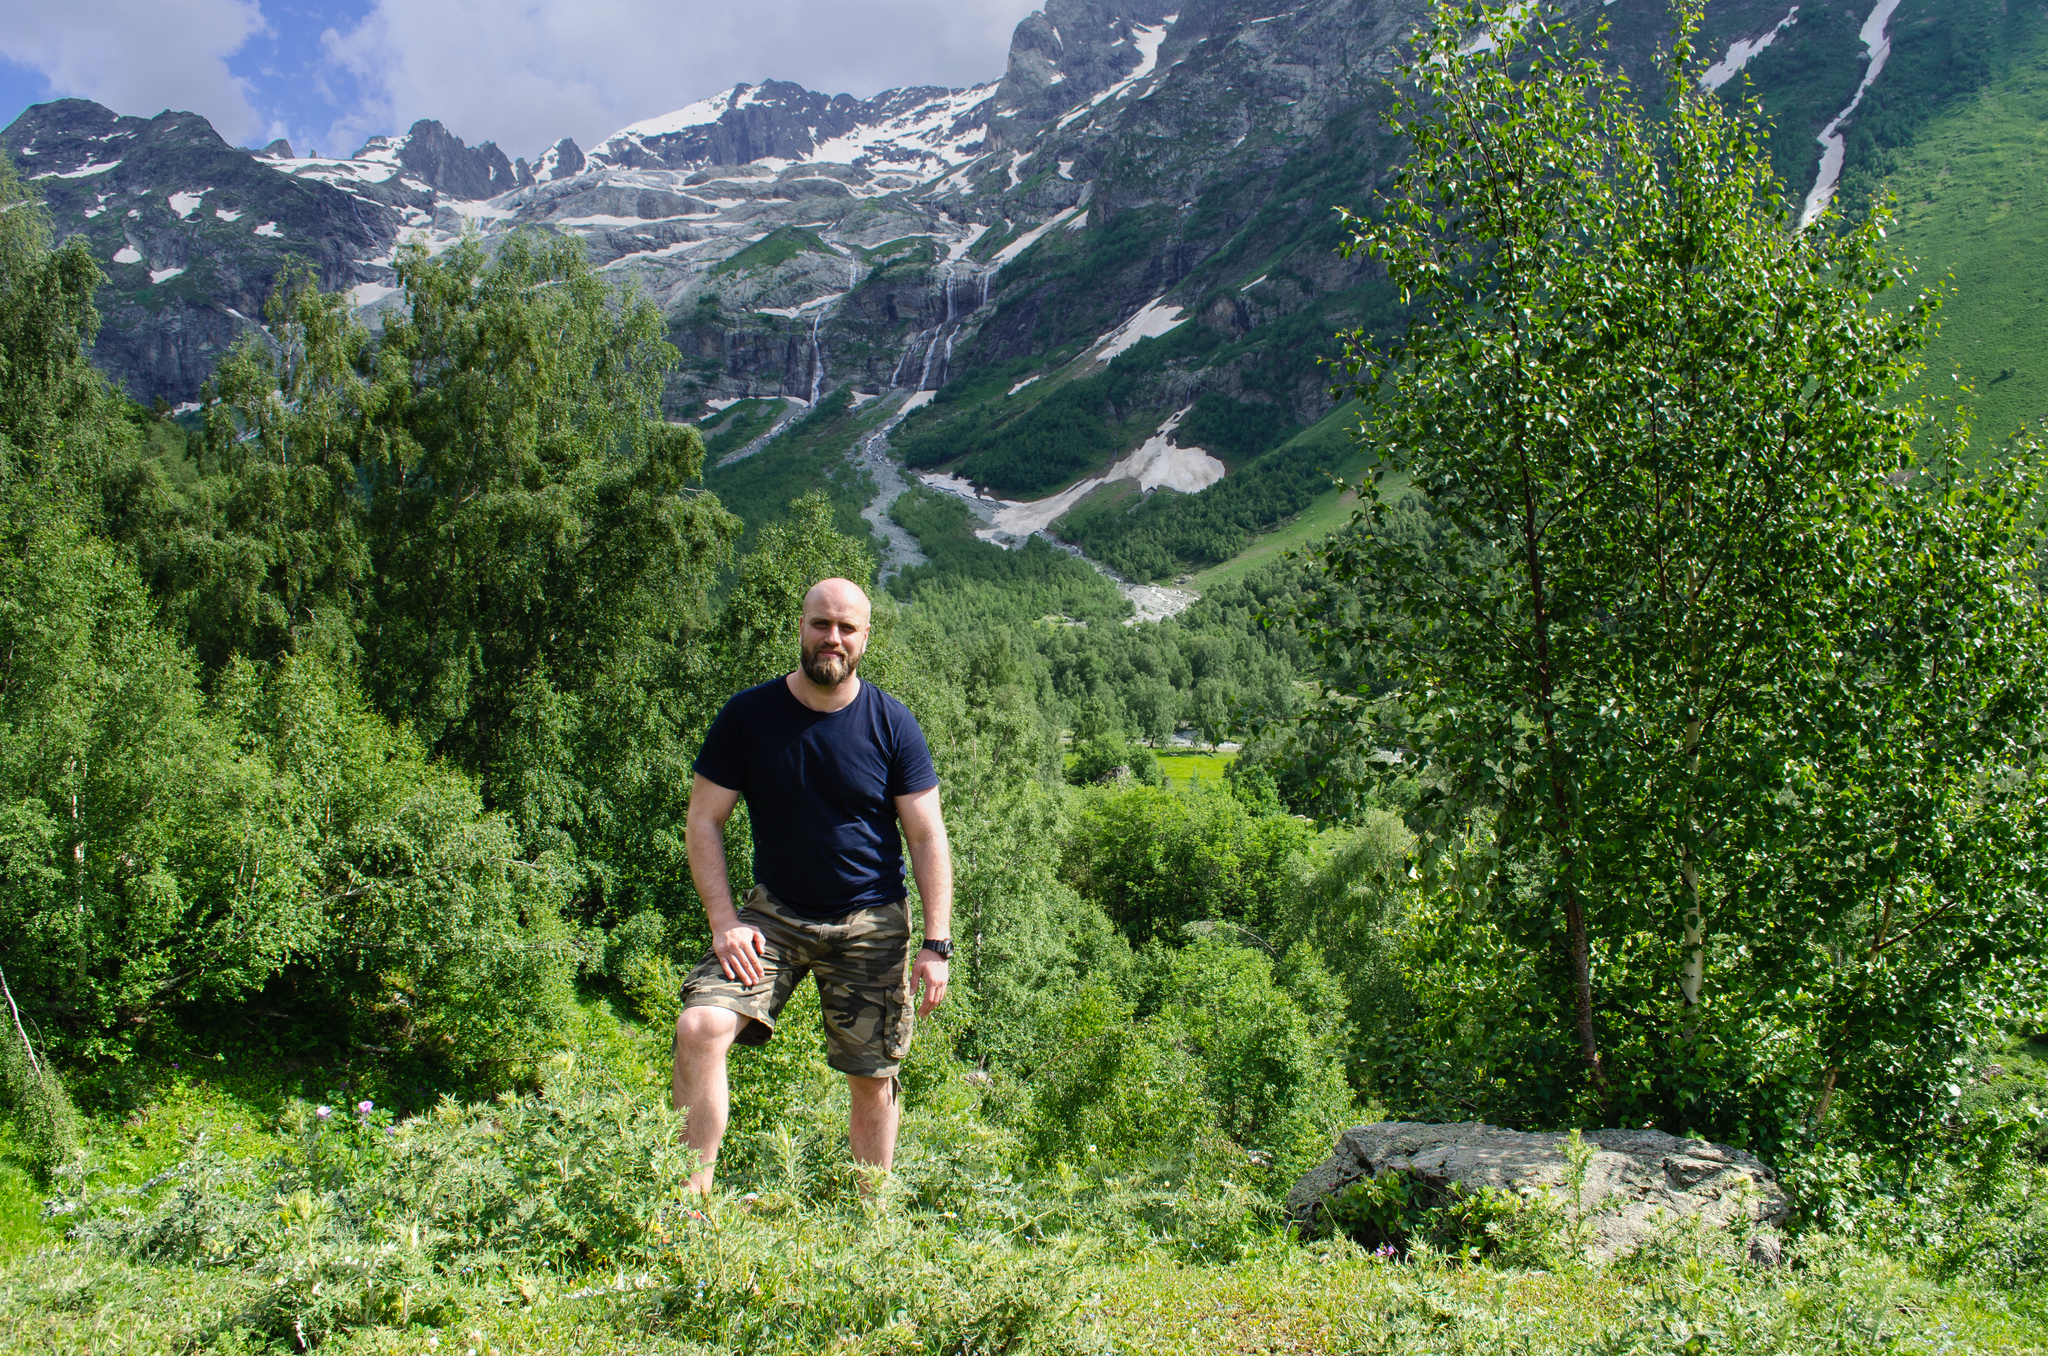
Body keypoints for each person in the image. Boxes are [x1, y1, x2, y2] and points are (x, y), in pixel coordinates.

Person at [672, 576, 952, 1195]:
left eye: (846, 628)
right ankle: (688, 1209)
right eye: (821, 624)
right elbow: (704, 820)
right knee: (700, 1028)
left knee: (872, 1076)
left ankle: (870, 1224)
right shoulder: (749, 717)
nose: (833, 638)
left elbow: (928, 836)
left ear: (865, 639)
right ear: (800, 626)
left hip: (872, 922)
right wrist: (724, 920)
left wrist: (937, 944)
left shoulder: (892, 724)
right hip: (773, 919)